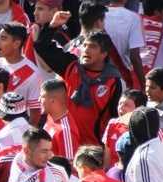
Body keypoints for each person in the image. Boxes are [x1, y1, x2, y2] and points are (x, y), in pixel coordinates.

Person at [35, 10, 122, 142]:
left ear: (104, 54)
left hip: (91, 148)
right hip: (64, 140)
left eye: (92, 47)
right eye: (85, 46)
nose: (86, 50)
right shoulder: (71, 66)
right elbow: (42, 47)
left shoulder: (113, 81)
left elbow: (114, 118)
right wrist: (52, 26)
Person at [38, 79, 82, 161]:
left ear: (52, 100)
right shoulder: (51, 116)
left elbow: (69, 166)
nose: (39, 100)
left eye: (42, 97)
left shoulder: (65, 131)